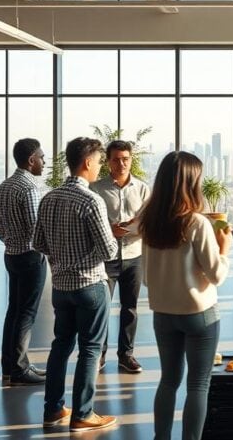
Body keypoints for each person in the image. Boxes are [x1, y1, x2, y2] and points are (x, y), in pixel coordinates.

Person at [140, 151, 231, 440]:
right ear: (190, 182)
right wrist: (224, 247)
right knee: (198, 385)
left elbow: (145, 278)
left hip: (163, 314)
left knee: (168, 381)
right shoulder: (197, 223)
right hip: (199, 315)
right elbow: (216, 274)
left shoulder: (150, 222)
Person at [34, 137, 119, 432]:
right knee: (91, 349)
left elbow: (38, 243)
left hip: (60, 287)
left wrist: (62, 257)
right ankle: (83, 414)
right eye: (99, 161)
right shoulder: (91, 200)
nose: (100, 167)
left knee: (61, 346)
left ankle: (53, 410)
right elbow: (109, 251)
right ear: (86, 162)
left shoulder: (49, 198)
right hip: (90, 285)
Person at [91, 139, 150, 374]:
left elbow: (148, 221)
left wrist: (132, 228)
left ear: (131, 159)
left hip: (134, 255)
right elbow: (92, 221)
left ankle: (127, 355)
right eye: (116, 159)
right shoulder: (96, 188)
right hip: (106, 257)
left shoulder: (143, 188)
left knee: (131, 308)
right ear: (108, 162)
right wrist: (110, 229)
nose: (121, 163)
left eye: (125, 159)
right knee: (101, 308)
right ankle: (99, 355)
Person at [0, 138, 47, 386]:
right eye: (42, 157)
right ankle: (19, 370)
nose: (44, 162)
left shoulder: (4, 186)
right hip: (30, 257)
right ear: (31, 160)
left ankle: (11, 366)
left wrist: (11, 242)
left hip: (11, 255)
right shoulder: (29, 188)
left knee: (13, 311)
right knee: (26, 313)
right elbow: (37, 229)